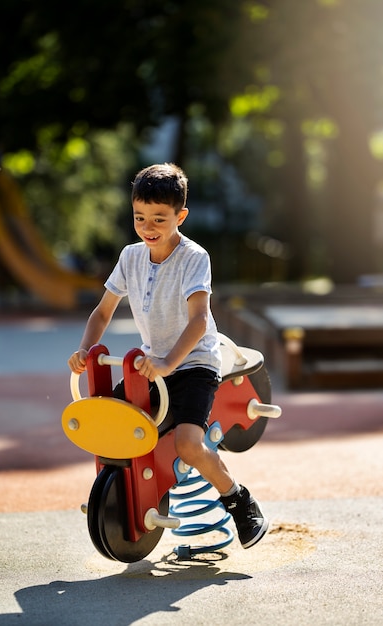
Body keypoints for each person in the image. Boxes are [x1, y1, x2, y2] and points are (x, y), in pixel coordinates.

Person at [68, 162, 268, 549]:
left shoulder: (194, 258)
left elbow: (198, 321)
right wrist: (84, 349)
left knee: (188, 445)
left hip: (193, 364)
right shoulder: (130, 257)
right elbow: (103, 311)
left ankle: (238, 499)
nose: (148, 227)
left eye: (159, 218)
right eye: (140, 217)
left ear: (181, 216)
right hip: (153, 365)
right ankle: (128, 498)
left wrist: (168, 364)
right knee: (118, 424)